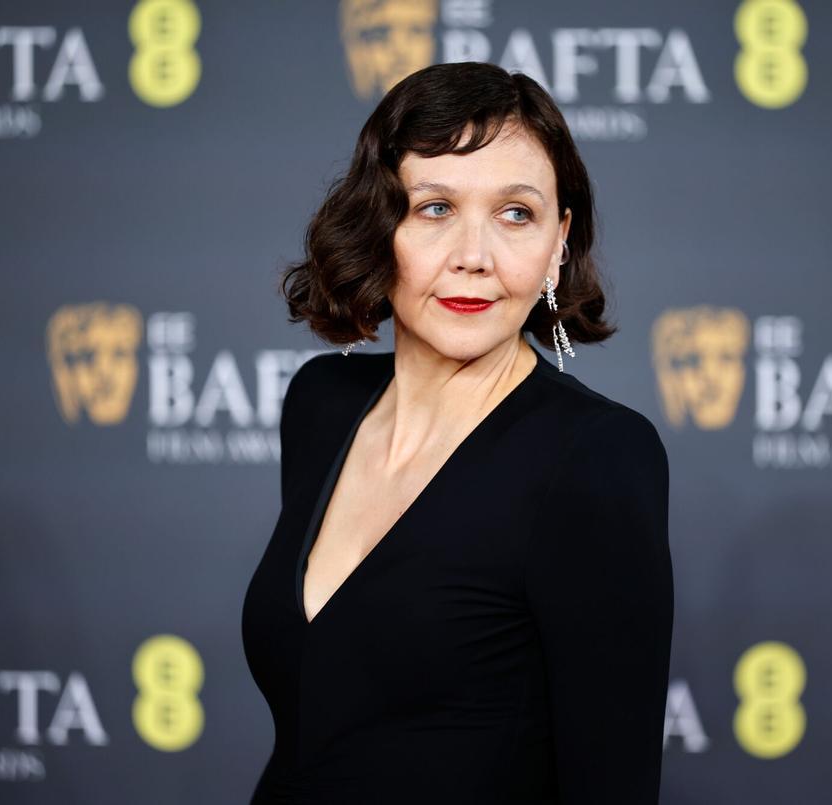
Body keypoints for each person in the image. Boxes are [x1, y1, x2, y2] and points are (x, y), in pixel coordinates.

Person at [241, 60, 674, 804]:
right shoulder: (321, 403)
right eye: (436, 208)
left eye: (516, 214)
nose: (474, 257)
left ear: (559, 240)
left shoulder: (596, 457)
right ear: (380, 225)